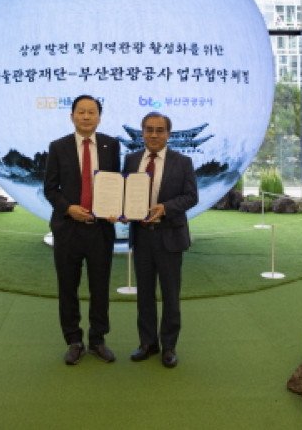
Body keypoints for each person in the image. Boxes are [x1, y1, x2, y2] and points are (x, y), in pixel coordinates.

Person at [44, 94, 121, 365]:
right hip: (68, 229)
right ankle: (74, 341)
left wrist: (117, 208)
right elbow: (50, 189)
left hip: (100, 230)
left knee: (100, 287)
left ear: (99, 117)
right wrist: (68, 208)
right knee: (68, 287)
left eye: (91, 112)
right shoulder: (58, 147)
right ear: (72, 116)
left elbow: (116, 183)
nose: (86, 116)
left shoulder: (111, 145)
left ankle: (98, 340)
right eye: (81, 111)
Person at [124, 112, 198, 368]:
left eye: (159, 130)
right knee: (144, 294)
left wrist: (165, 208)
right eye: (149, 129)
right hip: (142, 237)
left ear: (168, 134)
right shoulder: (131, 160)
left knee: (170, 295)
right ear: (142, 132)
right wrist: (121, 211)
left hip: (170, 237)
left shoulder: (183, 162)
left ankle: (169, 347)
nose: (153, 135)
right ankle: (147, 343)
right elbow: (124, 194)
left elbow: (191, 197)